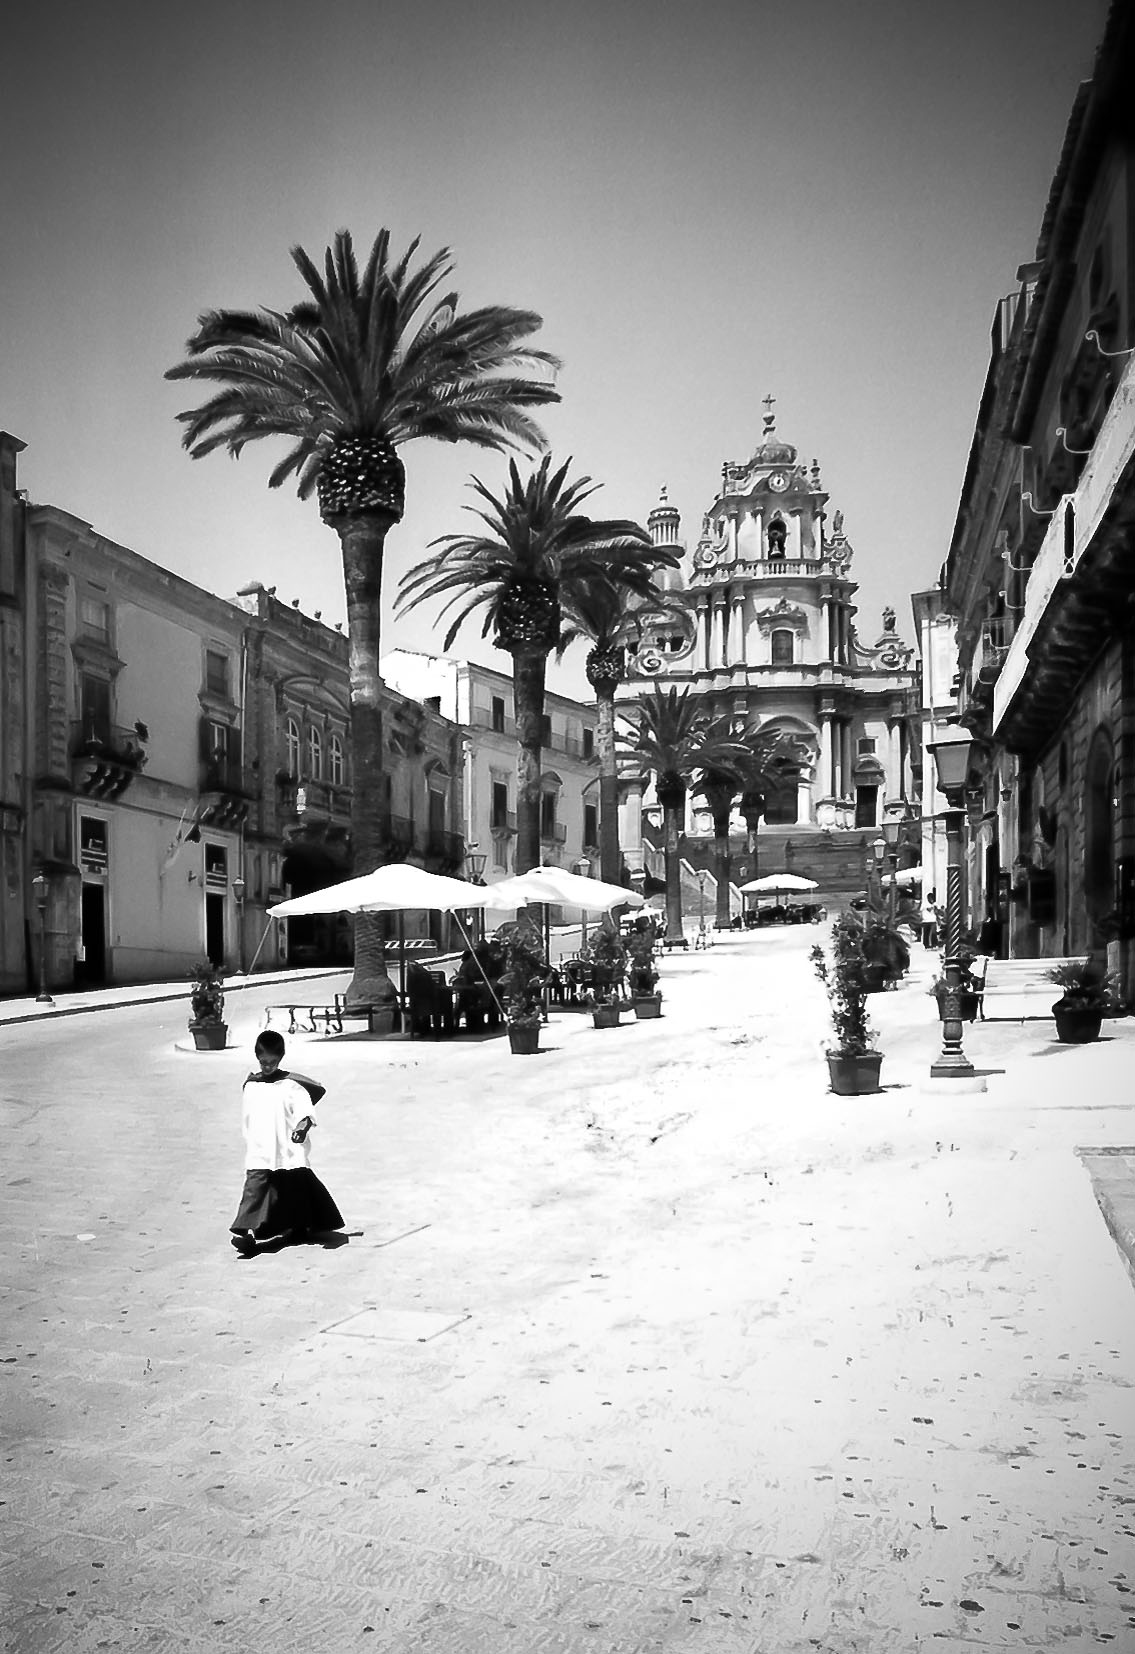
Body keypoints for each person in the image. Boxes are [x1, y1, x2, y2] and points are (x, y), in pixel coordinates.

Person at [229, 1029, 344, 1257]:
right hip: (260, 1150)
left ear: (280, 1058)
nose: (267, 1067)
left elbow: (305, 1111)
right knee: (254, 1190)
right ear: (257, 1057)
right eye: (263, 1062)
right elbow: (248, 1118)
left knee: (296, 1188)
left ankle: (300, 1226)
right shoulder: (252, 1085)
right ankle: (243, 1232)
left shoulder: (291, 1085)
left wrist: (302, 1127)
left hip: (288, 1149)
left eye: (272, 1062)